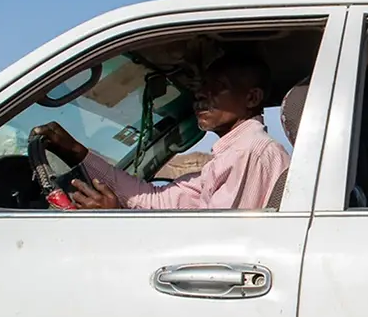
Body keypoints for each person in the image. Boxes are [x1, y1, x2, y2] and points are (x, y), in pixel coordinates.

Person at [32, 53, 290, 210]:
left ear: (252, 98)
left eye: (218, 86)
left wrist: (115, 221)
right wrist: (78, 153)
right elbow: (154, 200)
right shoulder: (231, 155)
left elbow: (218, 242)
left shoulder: (250, 152)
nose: (200, 93)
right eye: (203, 86)